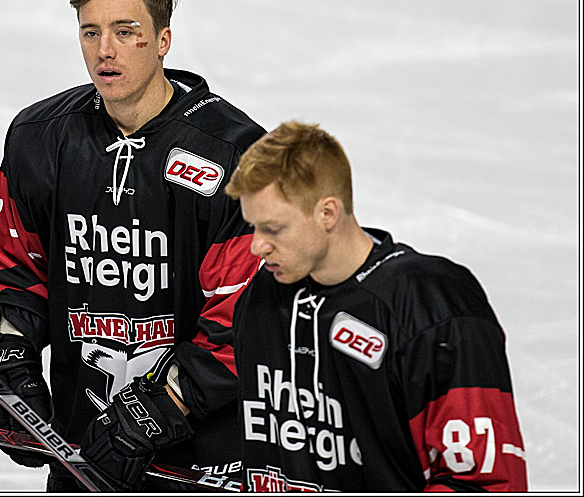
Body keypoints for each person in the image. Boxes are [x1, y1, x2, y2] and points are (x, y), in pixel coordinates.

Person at [0, 0, 266, 491]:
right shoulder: (40, 138)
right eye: (91, 32)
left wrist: (161, 405)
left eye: (125, 32)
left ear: (163, 40)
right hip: (86, 449)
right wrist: (12, 355)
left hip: (199, 463)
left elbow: (246, 320)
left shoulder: (234, 156)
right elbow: (18, 267)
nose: (104, 50)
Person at [224, 121, 529, 491]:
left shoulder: (432, 304)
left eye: (273, 228)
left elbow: (484, 481)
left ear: (328, 213)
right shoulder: (263, 298)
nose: (257, 246)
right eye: (253, 227)